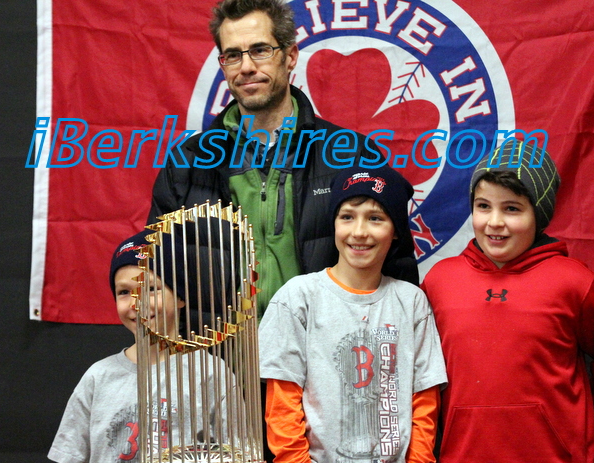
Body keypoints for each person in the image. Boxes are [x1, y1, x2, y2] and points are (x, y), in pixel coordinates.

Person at [148, 0, 418, 316]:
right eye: (233, 55)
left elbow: (394, 271)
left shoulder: (352, 155)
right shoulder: (187, 163)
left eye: (260, 50)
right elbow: (158, 275)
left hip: (325, 343)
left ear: (290, 56)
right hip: (221, 345)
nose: (246, 67)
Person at [421, 143, 594, 463]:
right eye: (483, 206)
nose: (495, 222)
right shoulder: (439, 281)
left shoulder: (575, 282)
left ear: (538, 214)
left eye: (512, 209)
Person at [258, 165, 448, 463]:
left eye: (375, 218)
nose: (359, 232)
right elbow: (282, 402)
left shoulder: (412, 302)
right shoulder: (298, 297)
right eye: (347, 217)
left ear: (396, 229)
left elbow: (424, 401)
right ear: (333, 223)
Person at [48, 231, 224, 463]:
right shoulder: (98, 377)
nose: (136, 303)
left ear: (180, 297)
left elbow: (235, 461)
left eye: (150, 288)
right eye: (123, 292)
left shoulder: (210, 373)